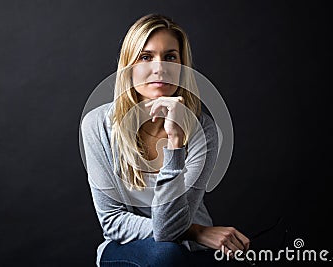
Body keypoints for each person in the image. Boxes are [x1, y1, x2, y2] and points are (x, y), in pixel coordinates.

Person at [80, 14, 250, 267]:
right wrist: (198, 232)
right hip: (126, 246)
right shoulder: (98, 124)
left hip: (192, 250)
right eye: (146, 57)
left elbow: (171, 225)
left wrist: (176, 141)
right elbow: (114, 221)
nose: (160, 68)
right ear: (129, 66)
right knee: (166, 255)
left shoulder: (203, 129)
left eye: (170, 57)